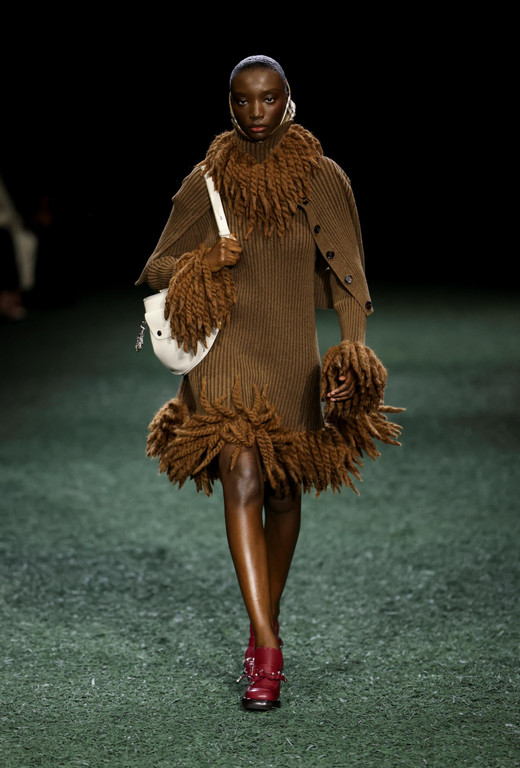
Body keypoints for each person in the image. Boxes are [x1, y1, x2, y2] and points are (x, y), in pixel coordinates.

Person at [136, 55, 403, 711]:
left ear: (288, 98)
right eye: (242, 100)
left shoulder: (321, 176)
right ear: (229, 103)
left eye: (268, 98)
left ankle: (265, 625)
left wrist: (349, 356)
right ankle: (268, 648)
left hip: (289, 353)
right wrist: (204, 258)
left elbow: (349, 275)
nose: (255, 112)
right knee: (243, 475)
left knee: (284, 492)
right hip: (225, 351)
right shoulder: (207, 177)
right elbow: (155, 267)